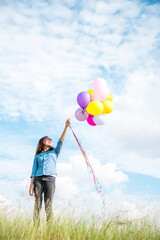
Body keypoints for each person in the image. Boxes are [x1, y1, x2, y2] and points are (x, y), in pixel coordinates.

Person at [29, 118, 71, 226]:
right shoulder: (37, 156)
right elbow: (33, 171)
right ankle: (35, 229)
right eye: (47, 139)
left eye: (50, 139)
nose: (49, 140)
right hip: (38, 180)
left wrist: (66, 127)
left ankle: (49, 229)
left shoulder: (54, 152)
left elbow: (61, 140)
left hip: (50, 179)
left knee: (48, 204)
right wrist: (31, 186)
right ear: (42, 142)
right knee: (37, 204)